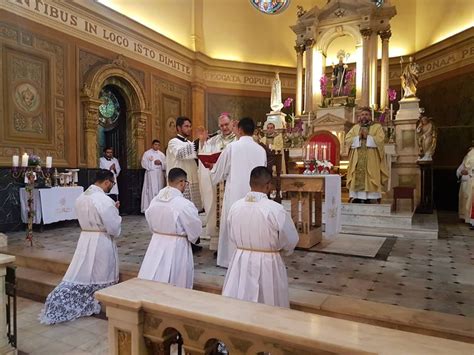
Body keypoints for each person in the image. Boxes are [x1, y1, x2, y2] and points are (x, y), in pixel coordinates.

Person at [40, 170, 121, 324]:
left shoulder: (82, 196)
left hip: (85, 238)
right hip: (101, 240)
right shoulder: (104, 200)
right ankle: (98, 300)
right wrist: (115, 211)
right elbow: (113, 227)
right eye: (112, 183)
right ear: (106, 182)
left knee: (83, 270)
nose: (112, 186)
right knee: (99, 272)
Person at [222, 166, 298, 307]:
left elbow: (231, 234)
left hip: (241, 260)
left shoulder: (235, 207)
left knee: (239, 302)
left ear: (250, 183)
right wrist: (284, 250)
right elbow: (291, 239)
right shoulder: (275, 210)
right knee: (269, 303)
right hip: (268, 262)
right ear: (269, 185)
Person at [210, 117, 267, 267]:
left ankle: (229, 259)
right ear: (253, 131)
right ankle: (253, 258)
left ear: (239, 130)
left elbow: (218, 173)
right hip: (256, 194)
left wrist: (213, 171)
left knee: (233, 223)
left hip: (234, 194)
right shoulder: (261, 150)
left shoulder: (232, 147)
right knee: (253, 224)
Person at [138, 168, 202, 288]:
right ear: (182, 182)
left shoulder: (154, 200)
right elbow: (194, 228)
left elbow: (149, 220)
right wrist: (194, 238)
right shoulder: (183, 204)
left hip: (156, 244)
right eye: (185, 183)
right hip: (177, 247)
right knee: (175, 279)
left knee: (153, 275)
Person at [196, 113, 237, 252]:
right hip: (216, 184)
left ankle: (232, 244)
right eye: (221, 125)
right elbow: (204, 155)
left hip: (232, 181)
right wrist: (202, 142)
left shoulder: (238, 139)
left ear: (232, 123)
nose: (224, 127)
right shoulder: (213, 141)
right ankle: (217, 245)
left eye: (227, 124)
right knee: (215, 209)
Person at [345, 107, 388, 203]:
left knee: (371, 175)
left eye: (366, 114)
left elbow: (380, 140)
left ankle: (371, 197)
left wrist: (368, 137)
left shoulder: (377, 127)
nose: (364, 116)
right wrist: (358, 138)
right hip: (357, 159)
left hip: (371, 159)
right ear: (359, 116)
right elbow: (347, 140)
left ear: (370, 116)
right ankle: (357, 197)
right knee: (356, 175)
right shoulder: (355, 128)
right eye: (362, 115)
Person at [166, 117, 201, 210]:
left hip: (191, 179)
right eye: (186, 126)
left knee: (192, 209)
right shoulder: (173, 142)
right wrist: (196, 143)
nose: (189, 128)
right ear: (178, 128)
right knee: (180, 209)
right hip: (179, 180)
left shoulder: (189, 142)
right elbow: (179, 153)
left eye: (190, 126)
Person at [141, 139, 166, 213]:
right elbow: (143, 163)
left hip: (159, 174)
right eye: (155, 144)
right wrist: (151, 164)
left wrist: (161, 163)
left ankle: (159, 207)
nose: (157, 146)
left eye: (158, 145)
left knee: (159, 189)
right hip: (151, 174)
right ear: (152, 145)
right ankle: (149, 207)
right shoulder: (147, 153)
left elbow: (165, 164)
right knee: (150, 190)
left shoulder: (161, 154)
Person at [457, 142, 474, 229]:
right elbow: (462, 167)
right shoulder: (469, 155)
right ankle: (466, 218)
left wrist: (469, 172)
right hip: (467, 180)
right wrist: (461, 172)